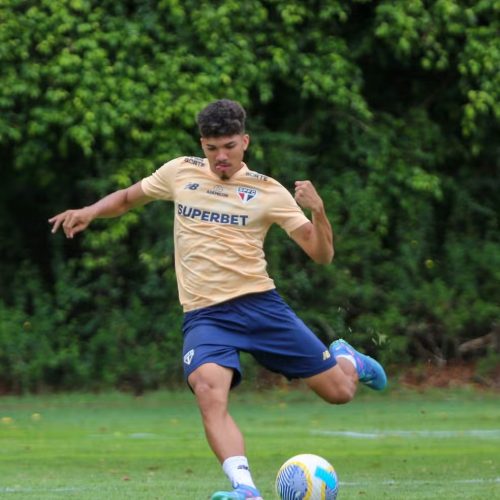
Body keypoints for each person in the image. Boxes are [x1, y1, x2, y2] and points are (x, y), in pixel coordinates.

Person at [49, 99, 387, 500]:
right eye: (212, 149)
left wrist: (319, 213)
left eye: (228, 147)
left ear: (245, 141)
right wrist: (90, 211)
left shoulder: (268, 191)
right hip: (205, 317)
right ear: (202, 145)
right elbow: (126, 198)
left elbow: (322, 254)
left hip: (261, 306)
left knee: (340, 393)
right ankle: (245, 489)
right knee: (209, 391)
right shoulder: (180, 172)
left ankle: (348, 359)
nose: (220, 157)